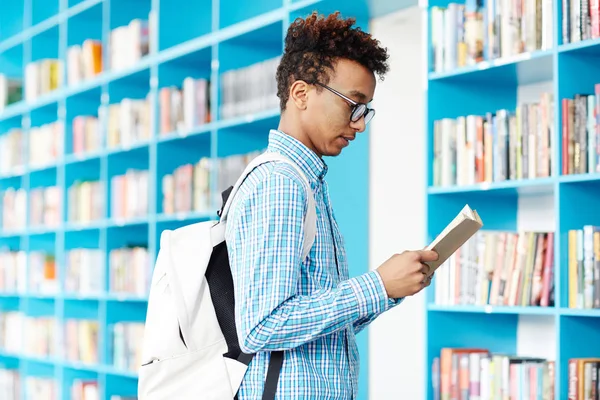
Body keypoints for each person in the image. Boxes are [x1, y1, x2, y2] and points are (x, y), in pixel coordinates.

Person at [224, 11, 438, 400]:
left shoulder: (307, 183)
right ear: (301, 94)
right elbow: (261, 326)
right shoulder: (281, 184)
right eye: (352, 105)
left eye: (366, 109)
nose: (360, 124)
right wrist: (375, 285)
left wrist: (389, 289)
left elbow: (311, 325)